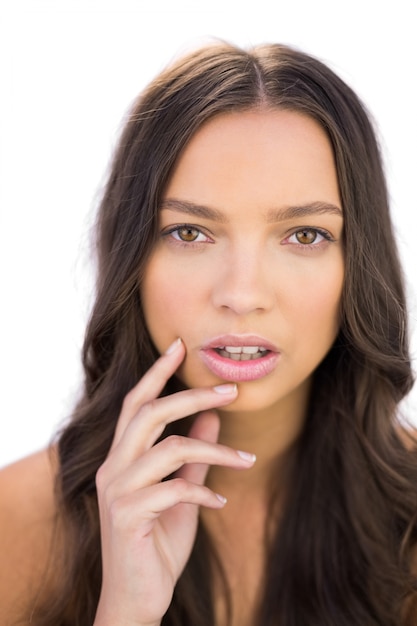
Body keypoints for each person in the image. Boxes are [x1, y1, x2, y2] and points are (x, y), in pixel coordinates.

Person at [1, 40, 416, 626]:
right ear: (131, 261)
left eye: (304, 235)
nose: (243, 294)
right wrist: (125, 611)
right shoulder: (13, 526)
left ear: (359, 263)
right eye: (190, 233)